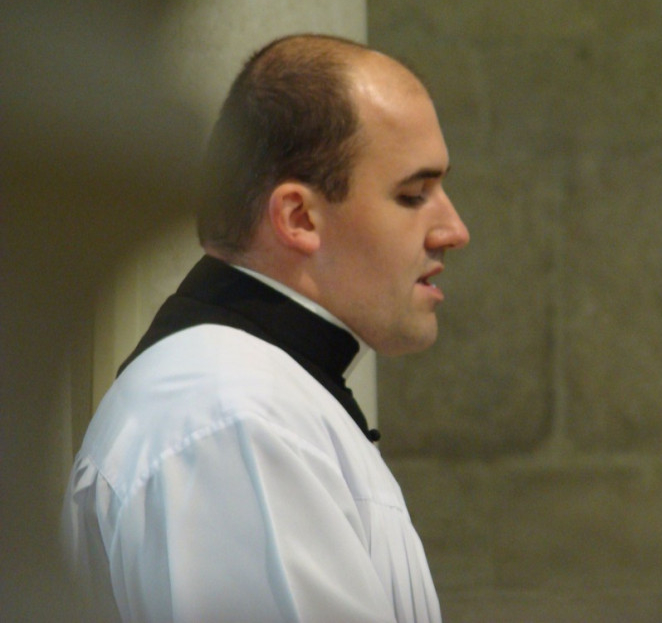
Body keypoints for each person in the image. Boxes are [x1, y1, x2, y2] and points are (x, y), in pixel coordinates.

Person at [61, 34, 469, 622]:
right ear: (299, 217)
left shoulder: (250, 398)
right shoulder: (233, 417)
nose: (454, 230)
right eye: (413, 195)